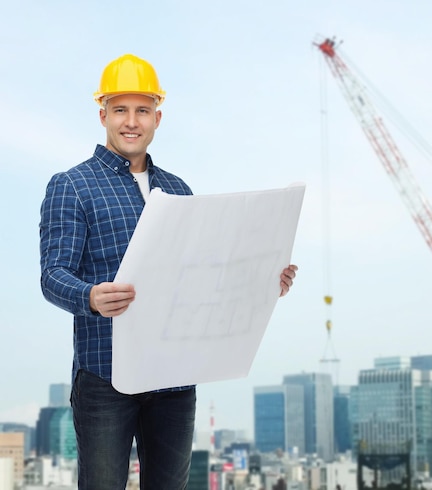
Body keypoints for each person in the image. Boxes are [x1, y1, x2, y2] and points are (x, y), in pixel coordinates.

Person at [39, 53, 298, 489]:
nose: (131, 121)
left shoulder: (178, 189)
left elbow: (205, 277)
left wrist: (265, 280)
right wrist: (89, 296)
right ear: (102, 113)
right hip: (106, 376)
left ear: (158, 117)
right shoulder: (72, 185)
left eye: (142, 110)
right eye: (120, 109)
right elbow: (53, 275)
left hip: (175, 376)